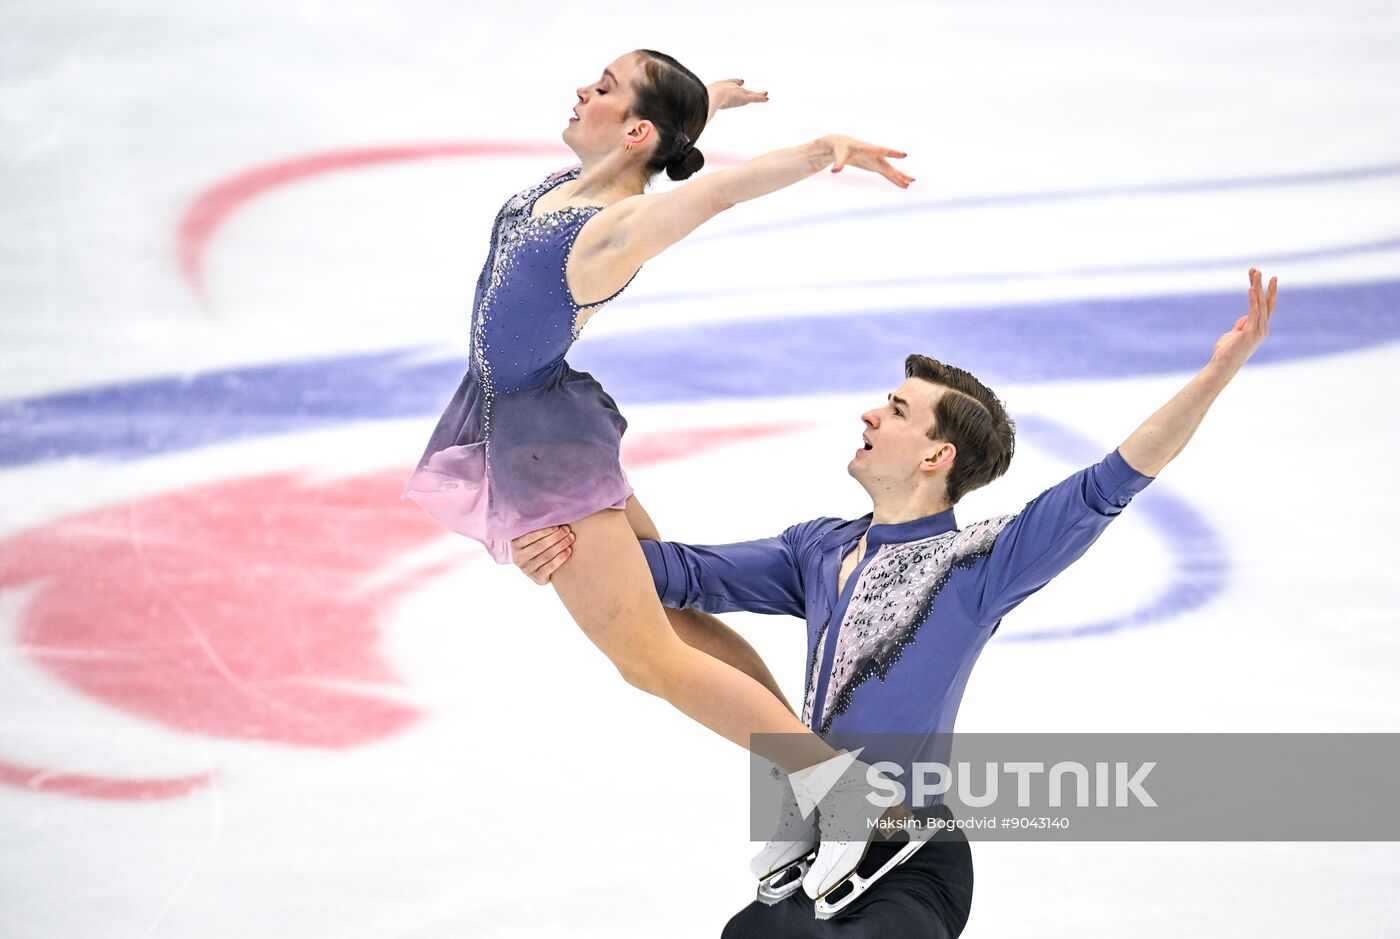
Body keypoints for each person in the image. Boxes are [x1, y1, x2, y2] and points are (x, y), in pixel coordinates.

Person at [510, 270, 1280, 934]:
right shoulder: (818, 549)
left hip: (911, 859)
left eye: (897, 409)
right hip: (816, 853)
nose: (871, 415)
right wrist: (564, 532)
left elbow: (1110, 481)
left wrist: (1214, 376)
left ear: (936, 456)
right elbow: (666, 576)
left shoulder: (977, 561)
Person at [400, 48, 917, 892]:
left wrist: (821, 149)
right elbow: (664, 141)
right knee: (668, 607)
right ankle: (809, 785)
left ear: (635, 130)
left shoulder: (612, 226)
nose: (580, 89)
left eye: (601, 88)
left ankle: (847, 799)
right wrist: (701, 102)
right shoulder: (570, 184)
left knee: (648, 657)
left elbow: (714, 190)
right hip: (539, 424)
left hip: (541, 442)